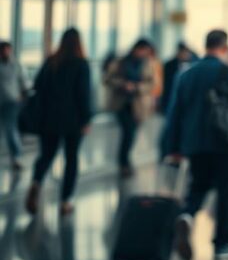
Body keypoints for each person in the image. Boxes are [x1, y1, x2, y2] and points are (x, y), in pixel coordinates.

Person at [163, 29, 228, 260]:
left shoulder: (186, 74)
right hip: (226, 143)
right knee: (227, 192)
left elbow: (174, 113)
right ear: (224, 47)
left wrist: (172, 147)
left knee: (198, 186)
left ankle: (187, 216)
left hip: (194, 143)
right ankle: (224, 244)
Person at [25, 28, 92, 216]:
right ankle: (65, 201)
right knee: (71, 159)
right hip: (73, 120)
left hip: (49, 119)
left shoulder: (51, 61)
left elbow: (37, 86)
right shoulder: (81, 64)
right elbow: (83, 95)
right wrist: (86, 119)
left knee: (46, 155)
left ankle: (36, 182)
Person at [104, 39, 157, 178]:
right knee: (128, 133)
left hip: (138, 105)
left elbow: (152, 83)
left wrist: (137, 87)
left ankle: (126, 161)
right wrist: (123, 84)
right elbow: (108, 78)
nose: (144, 53)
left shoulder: (147, 64)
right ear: (136, 48)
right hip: (122, 104)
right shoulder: (120, 62)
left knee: (131, 135)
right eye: (143, 50)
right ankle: (124, 163)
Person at [0, 41, 28, 170]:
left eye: (7, 50)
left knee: (10, 129)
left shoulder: (16, 65)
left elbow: (23, 82)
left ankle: (16, 157)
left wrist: (22, 97)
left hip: (11, 102)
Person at [160, 42, 197, 114]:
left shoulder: (194, 66)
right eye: (183, 52)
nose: (185, 55)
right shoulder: (169, 65)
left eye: (186, 53)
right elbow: (165, 85)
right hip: (170, 98)